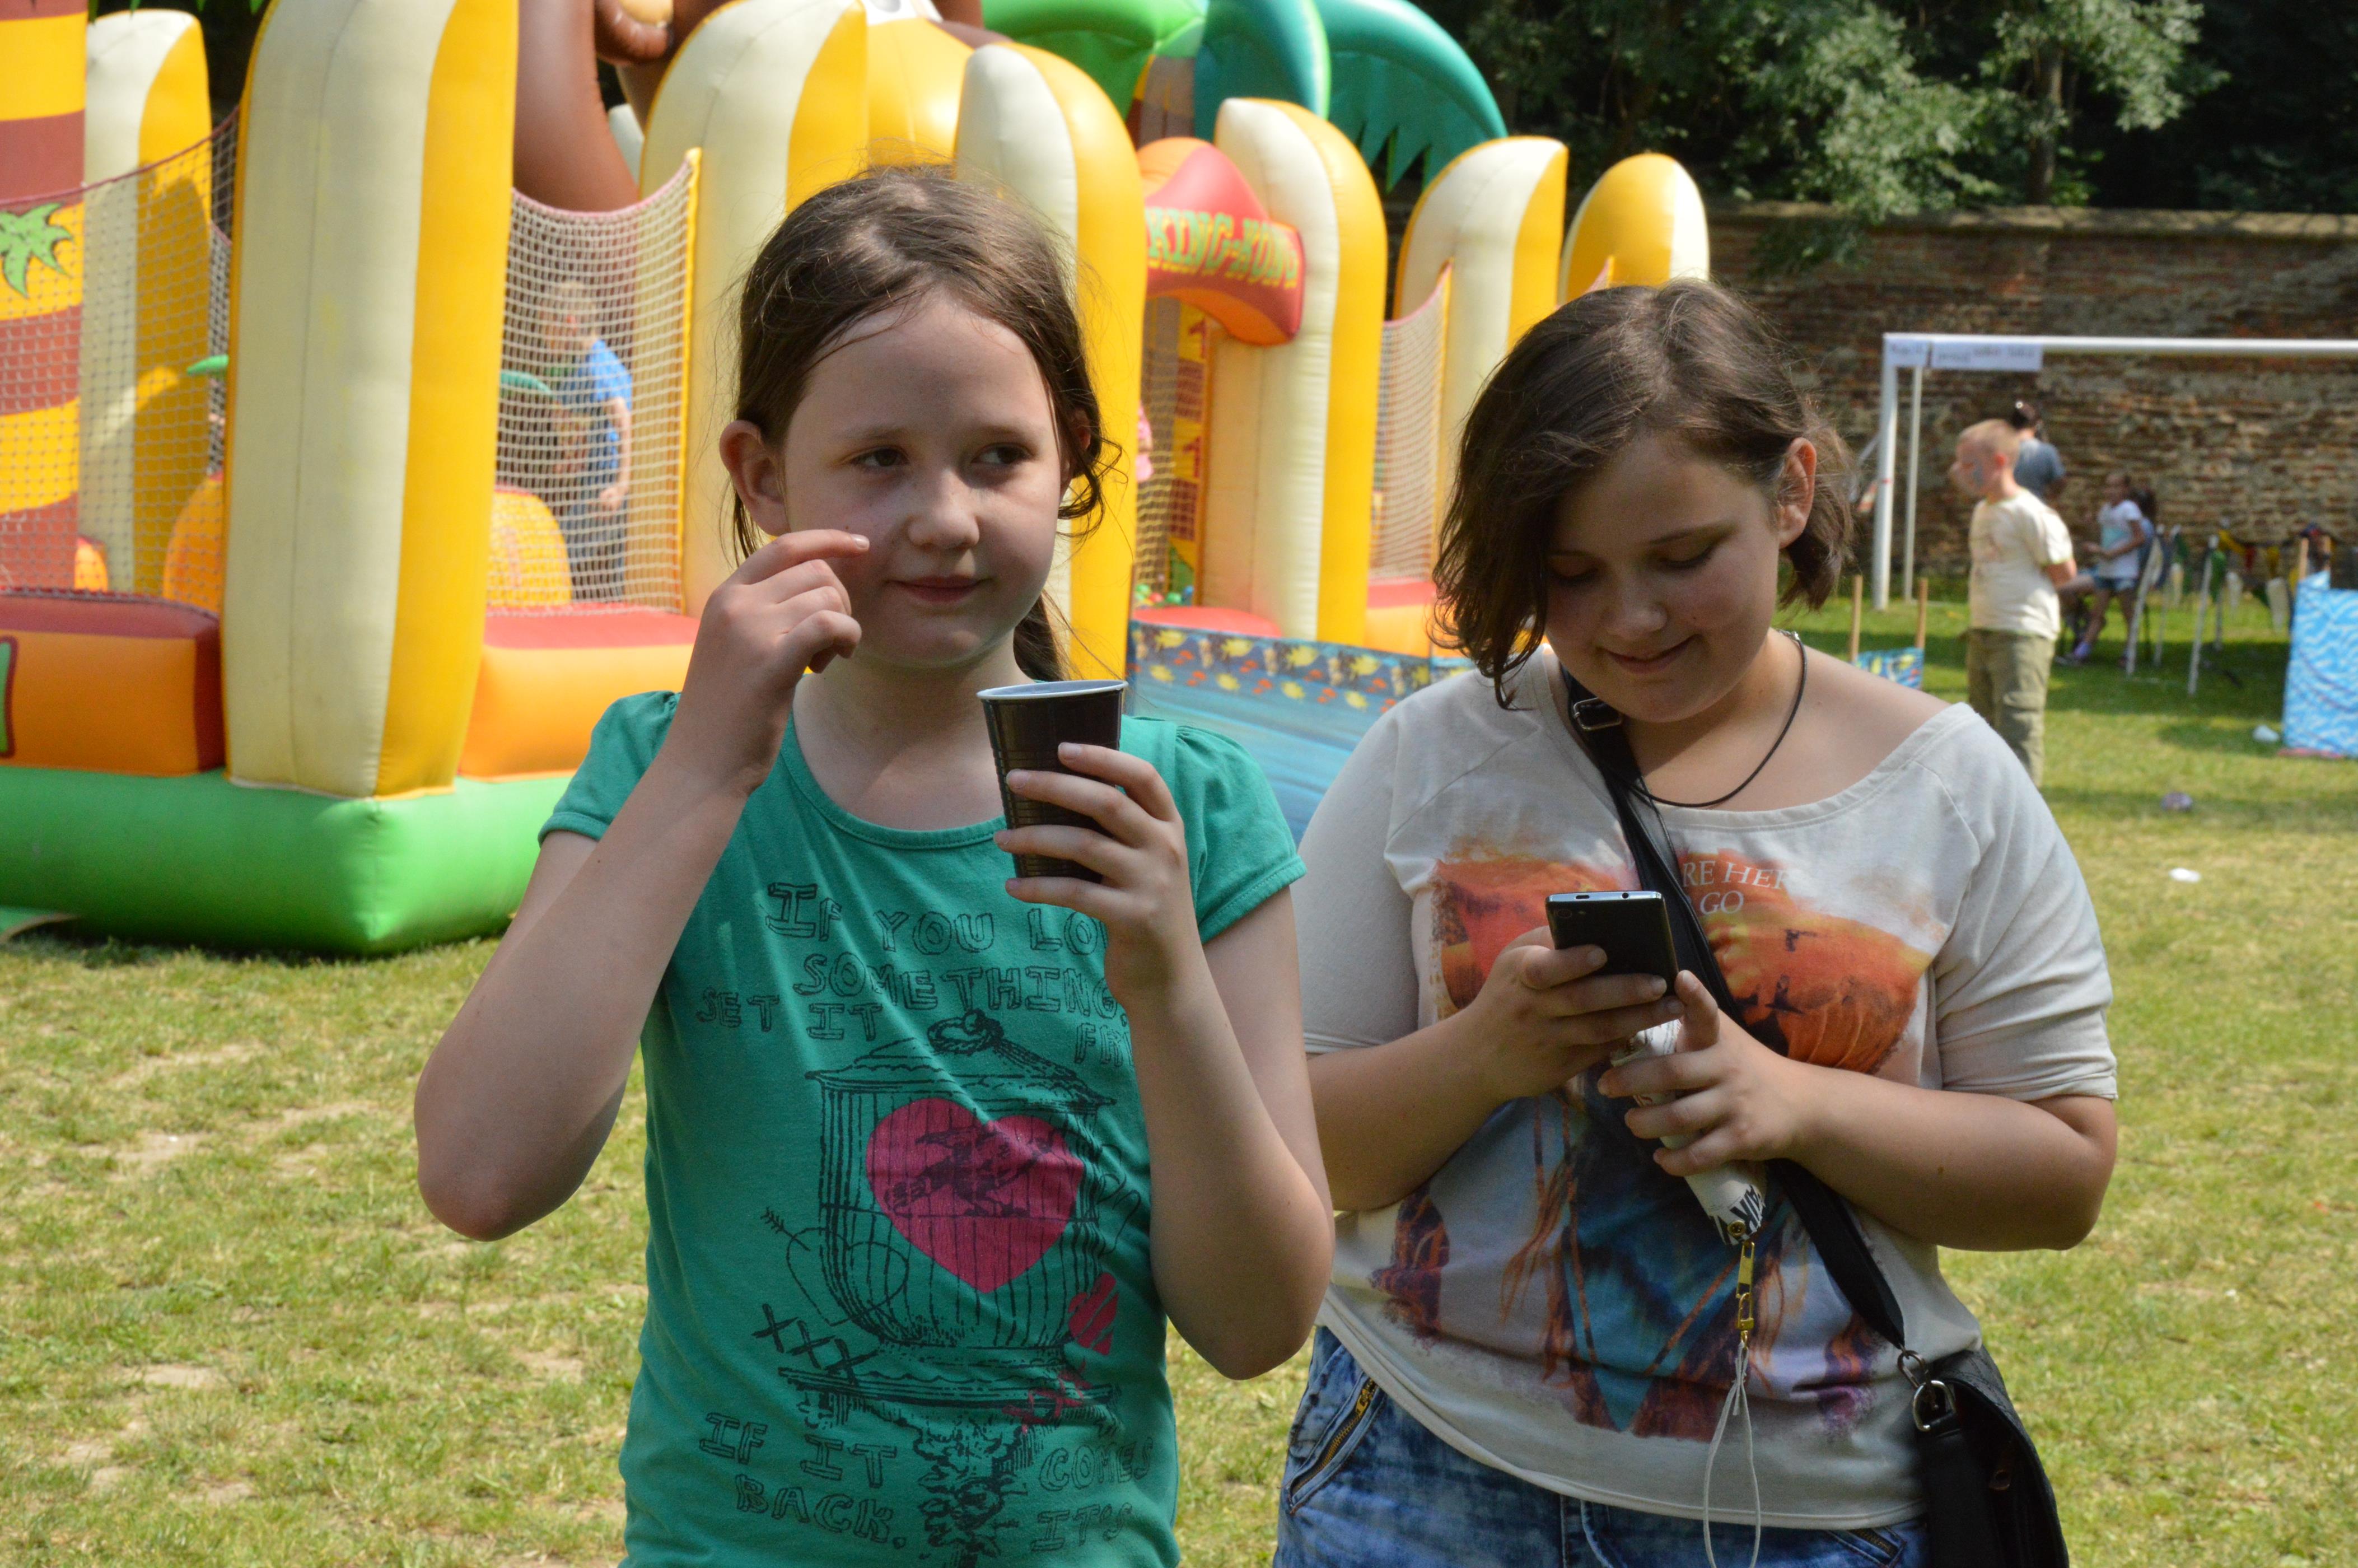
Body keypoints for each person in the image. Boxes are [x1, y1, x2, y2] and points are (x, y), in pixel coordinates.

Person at [415, 166, 1332, 1567]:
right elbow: (479, 1173)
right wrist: (706, 770)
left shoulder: (1186, 812)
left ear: (1076, 458)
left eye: (997, 455)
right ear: (760, 475)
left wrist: (1165, 984)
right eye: (879, 458)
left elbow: (1257, 1323)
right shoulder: (662, 768)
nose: (944, 515)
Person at [1279, 281, 2117, 1568]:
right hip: (1419, 1474)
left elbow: (2061, 1174)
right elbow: (1295, 1145)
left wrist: (1793, 1104)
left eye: (1679, 558)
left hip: (1811, 1517)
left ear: (1790, 491)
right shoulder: (1431, 753)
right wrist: (1481, 1055)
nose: (1629, 619)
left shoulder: (1946, 783)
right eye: (1569, 574)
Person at [1954, 419, 2075, 783]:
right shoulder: (1983, 510)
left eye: (1970, 464)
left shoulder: (2030, 513)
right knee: (1982, 725)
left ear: (2000, 461)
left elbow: (2064, 573)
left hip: (2023, 631)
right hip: (1984, 627)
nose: (1961, 472)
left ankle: (2025, 809)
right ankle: (1988, 802)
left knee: (2017, 724)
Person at [542, 279, 634, 599]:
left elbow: (623, 421)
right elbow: (593, 421)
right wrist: (576, 457)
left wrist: (621, 486)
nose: (544, 338)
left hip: (608, 484)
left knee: (557, 552)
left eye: (547, 327)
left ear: (570, 323)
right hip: (603, 479)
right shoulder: (589, 364)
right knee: (623, 573)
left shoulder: (597, 367)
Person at [2058, 472, 2154, 665]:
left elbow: (2140, 538)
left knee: (2128, 614)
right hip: (2106, 571)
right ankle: (2081, 653)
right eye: (2108, 487)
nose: (2111, 491)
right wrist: (2091, 527)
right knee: (2097, 615)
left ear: (2125, 490)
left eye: (2116, 487)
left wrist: (2112, 553)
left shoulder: (2129, 509)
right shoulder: (2106, 510)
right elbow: (2104, 536)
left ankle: (2129, 652)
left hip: (2124, 572)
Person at [2007, 399, 2065, 503]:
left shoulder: (2000, 449)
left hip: (2004, 508)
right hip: (2035, 507)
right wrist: (2050, 500)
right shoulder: (2047, 451)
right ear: (2036, 426)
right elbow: (2059, 482)